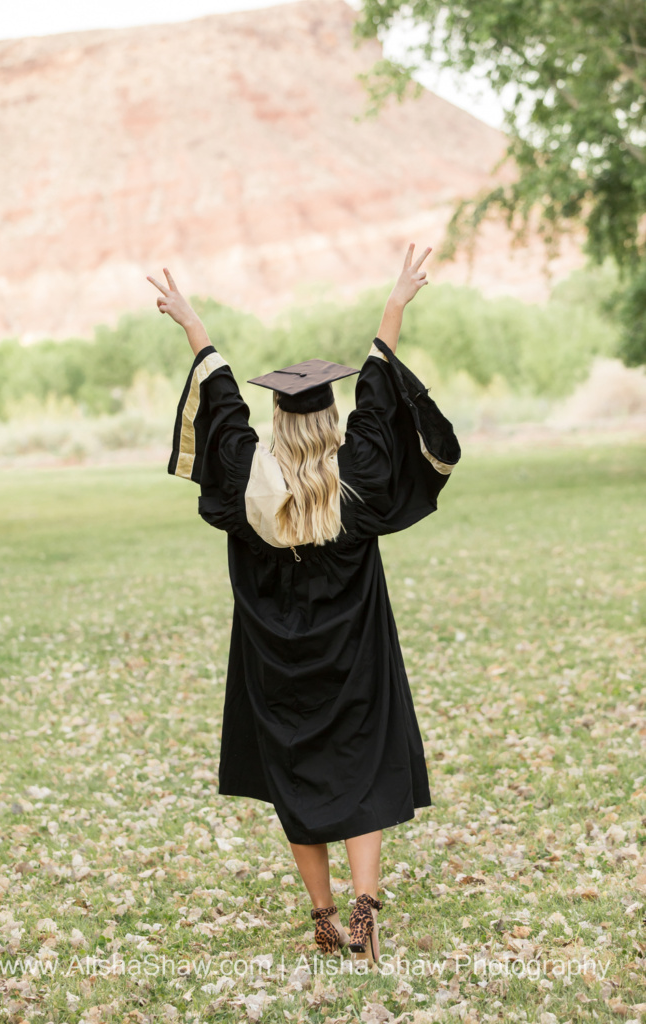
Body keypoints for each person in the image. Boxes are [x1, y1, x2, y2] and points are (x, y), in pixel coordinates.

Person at [147, 244, 461, 965]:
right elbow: (380, 400)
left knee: (295, 771)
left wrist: (193, 325)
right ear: (329, 422)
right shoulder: (359, 477)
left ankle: (323, 918)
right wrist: (394, 305)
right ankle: (365, 910)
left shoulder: (244, 480)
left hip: (274, 663)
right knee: (363, 762)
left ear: (277, 421)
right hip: (354, 657)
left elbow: (222, 408)